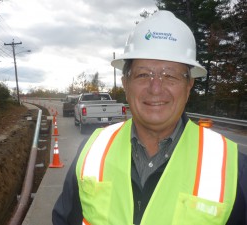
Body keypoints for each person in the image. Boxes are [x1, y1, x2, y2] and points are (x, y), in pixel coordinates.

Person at [52, 10, 247, 225]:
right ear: (126, 83)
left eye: (170, 75)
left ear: (189, 84)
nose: (155, 88)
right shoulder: (92, 149)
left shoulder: (234, 168)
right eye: (143, 74)